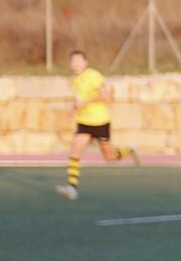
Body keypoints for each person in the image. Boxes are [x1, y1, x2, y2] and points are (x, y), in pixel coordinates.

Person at [57, 50, 138, 200]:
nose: (75, 64)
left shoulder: (93, 75)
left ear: (85, 62)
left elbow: (106, 97)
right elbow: (79, 99)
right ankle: (72, 187)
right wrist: (73, 110)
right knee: (74, 152)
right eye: (73, 62)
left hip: (100, 121)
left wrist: (85, 103)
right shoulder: (74, 80)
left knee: (110, 158)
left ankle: (130, 150)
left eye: (78, 61)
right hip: (83, 122)